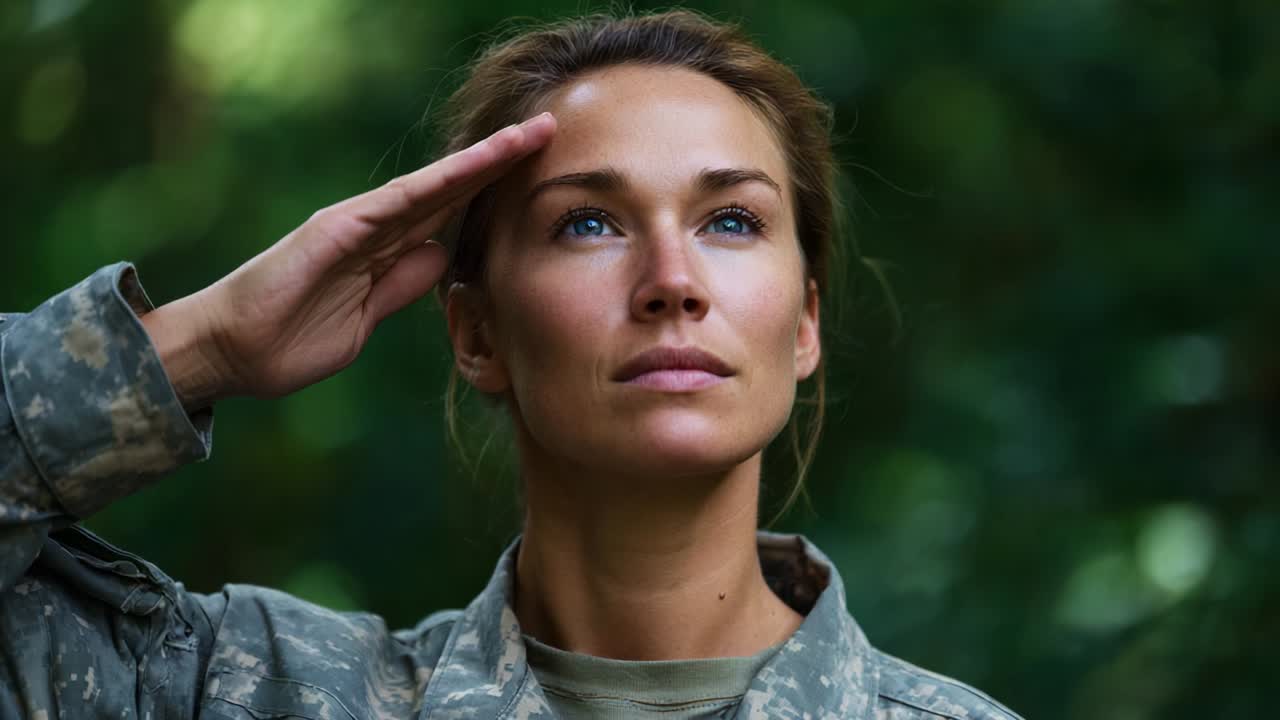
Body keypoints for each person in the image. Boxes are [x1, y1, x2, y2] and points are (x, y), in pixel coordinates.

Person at [0, 10, 1024, 720]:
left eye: (730, 220)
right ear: (475, 333)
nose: (671, 278)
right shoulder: (233, 692)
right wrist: (199, 344)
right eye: (587, 222)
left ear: (802, 325)